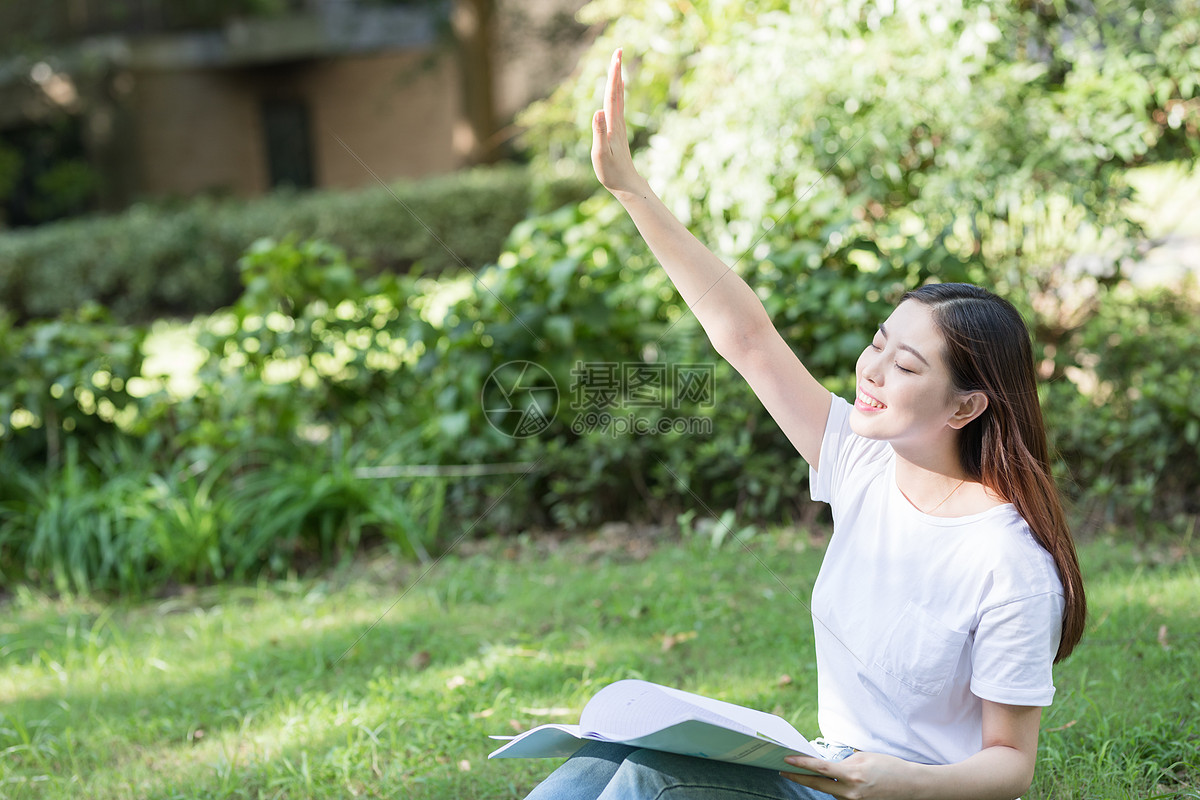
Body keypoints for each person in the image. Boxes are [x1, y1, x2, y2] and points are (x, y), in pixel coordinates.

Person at [521, 48, 1086, 800]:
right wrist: (630, 190)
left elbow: (1011, 767)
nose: (873, 371)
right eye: (878, 343)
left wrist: (900, 783)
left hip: (893, 795)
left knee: (647, 789)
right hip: (819, 771)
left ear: (966, 406)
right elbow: (745, 335)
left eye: (907, 366)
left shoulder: (1009, 567)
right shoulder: (864, 462)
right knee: (595, 764)